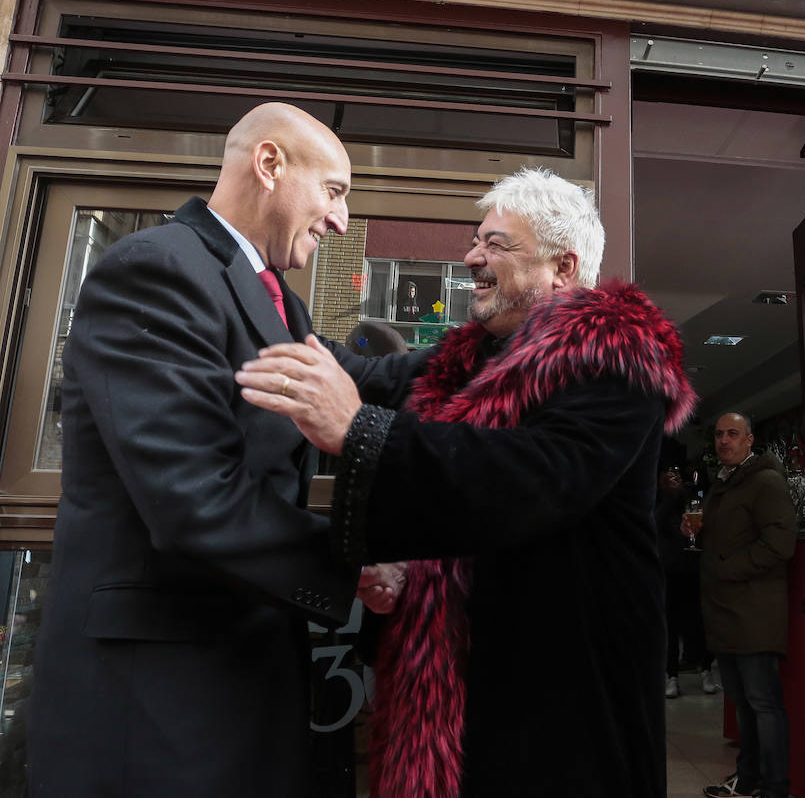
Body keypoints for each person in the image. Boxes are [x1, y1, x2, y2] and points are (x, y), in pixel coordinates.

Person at [236, 167, 697, 798]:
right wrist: (258, 264)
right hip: (459, 683)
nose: (473, 257)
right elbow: (353, 374)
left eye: (498, 244)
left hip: (564, 691)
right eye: (476, 240)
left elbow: (530, 478)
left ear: (563, 269)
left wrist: (360, 431)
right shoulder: (462, 359)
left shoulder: (617, 361)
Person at [27, 102, 429, 797]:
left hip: (233, 669)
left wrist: (512, 338)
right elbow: (193, 499)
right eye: (334, 191)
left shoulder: (280, 302)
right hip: (159, 698)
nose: (340, 221)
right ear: (269, 164)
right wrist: (352, 564)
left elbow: (374, 376)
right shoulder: (157, 269)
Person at [696, 412, 797, 798]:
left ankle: (776, 789)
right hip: (726, 614)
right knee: (744, 706)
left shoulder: (766, 482)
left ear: (749, 440)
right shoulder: (725, 483)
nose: (724, 441)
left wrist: (725, 569)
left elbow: (779, 546)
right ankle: (749, 779)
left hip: (755, 615)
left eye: (732, 434)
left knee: (764, 706)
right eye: (719, 434)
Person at [656, 441, 717, 699]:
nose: (674, 475)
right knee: (668, 624)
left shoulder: (695, 485)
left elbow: (704, 512)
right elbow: (655, 523)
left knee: (698, 620)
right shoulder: (657, 495)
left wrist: (685, 493)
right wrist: (669, 496)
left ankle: (705, 669)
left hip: (693, 565)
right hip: (667, 568)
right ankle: (671, 676)